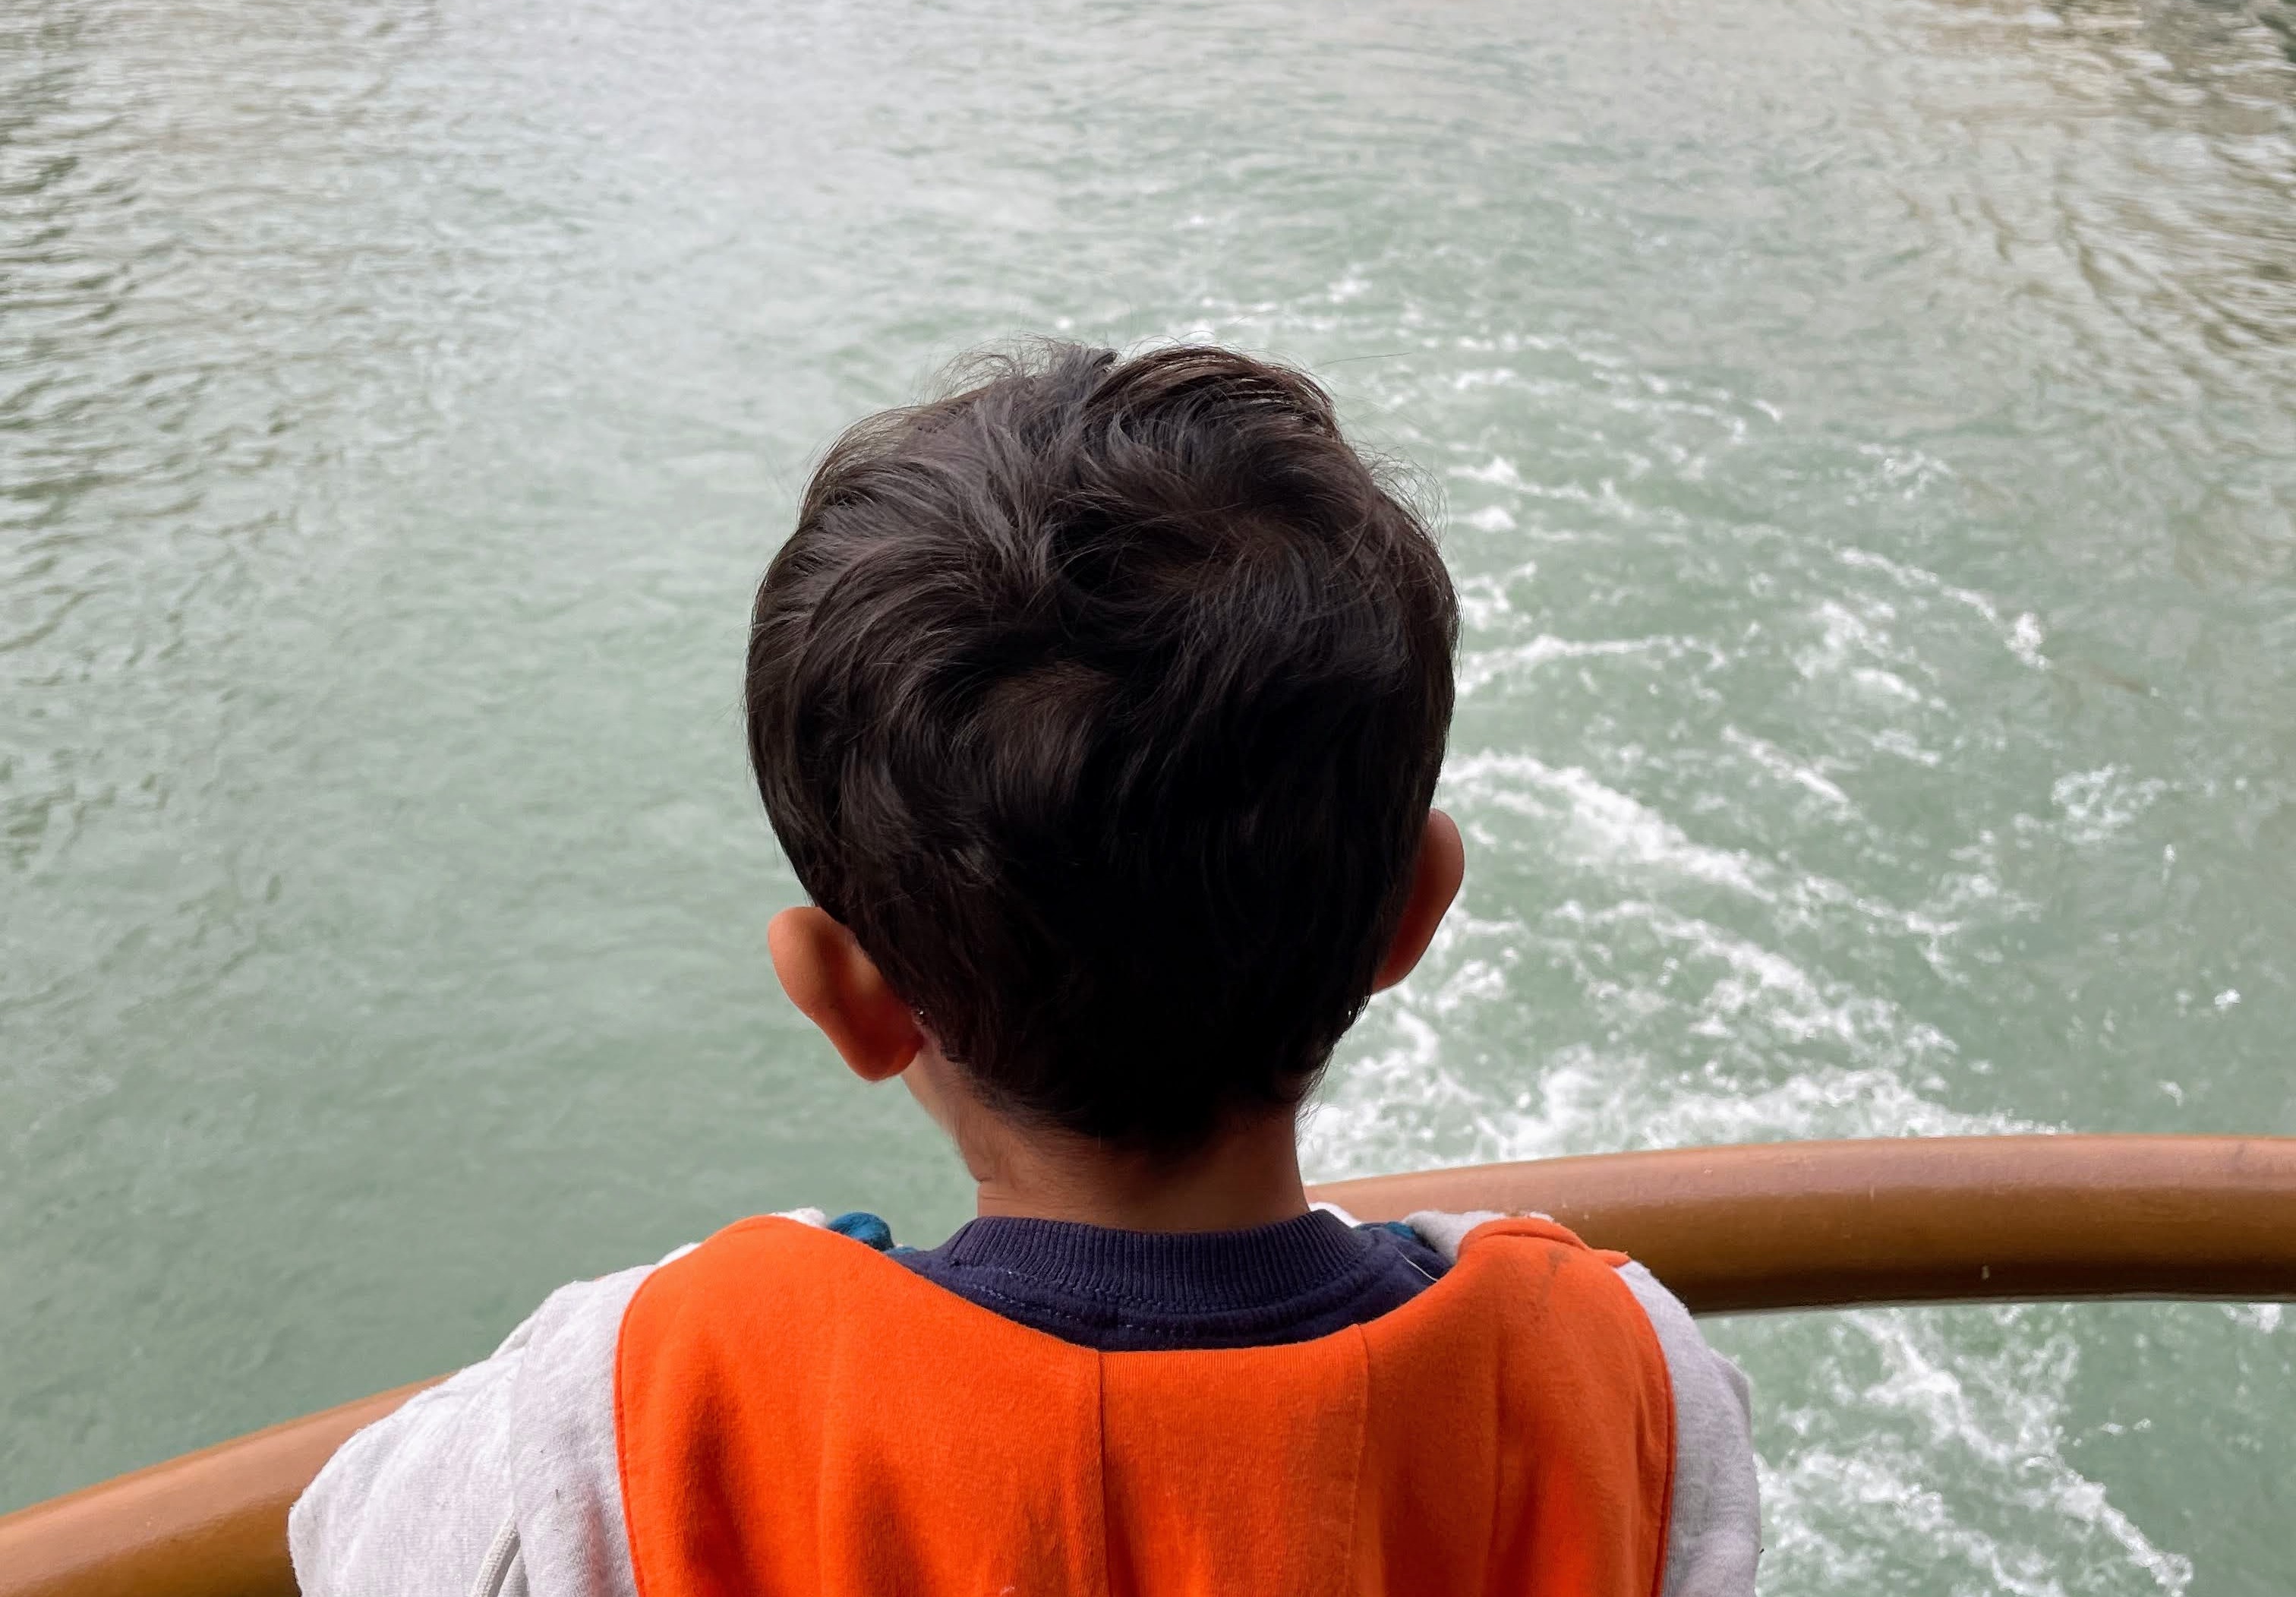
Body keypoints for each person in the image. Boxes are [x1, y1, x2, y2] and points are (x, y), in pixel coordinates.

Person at [292, 342, 1760, 1597]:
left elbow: (348, 1537)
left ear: (844, 997)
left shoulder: (650, 1401)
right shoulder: (1621, 1376)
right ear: (1413, 914)